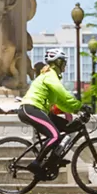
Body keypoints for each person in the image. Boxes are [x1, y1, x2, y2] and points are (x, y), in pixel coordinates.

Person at [18, 48, 81, 178]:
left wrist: (76, 109)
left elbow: (60, 102)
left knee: (67, 127)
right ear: (57, 62)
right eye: (63, 62)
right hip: (31, 109)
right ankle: (36, 163)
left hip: (40, 110)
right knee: (54, 136)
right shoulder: (49, 76)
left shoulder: (53, 77)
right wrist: (79, 105)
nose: (65, 65)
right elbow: (63, 94)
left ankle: (54, 159)